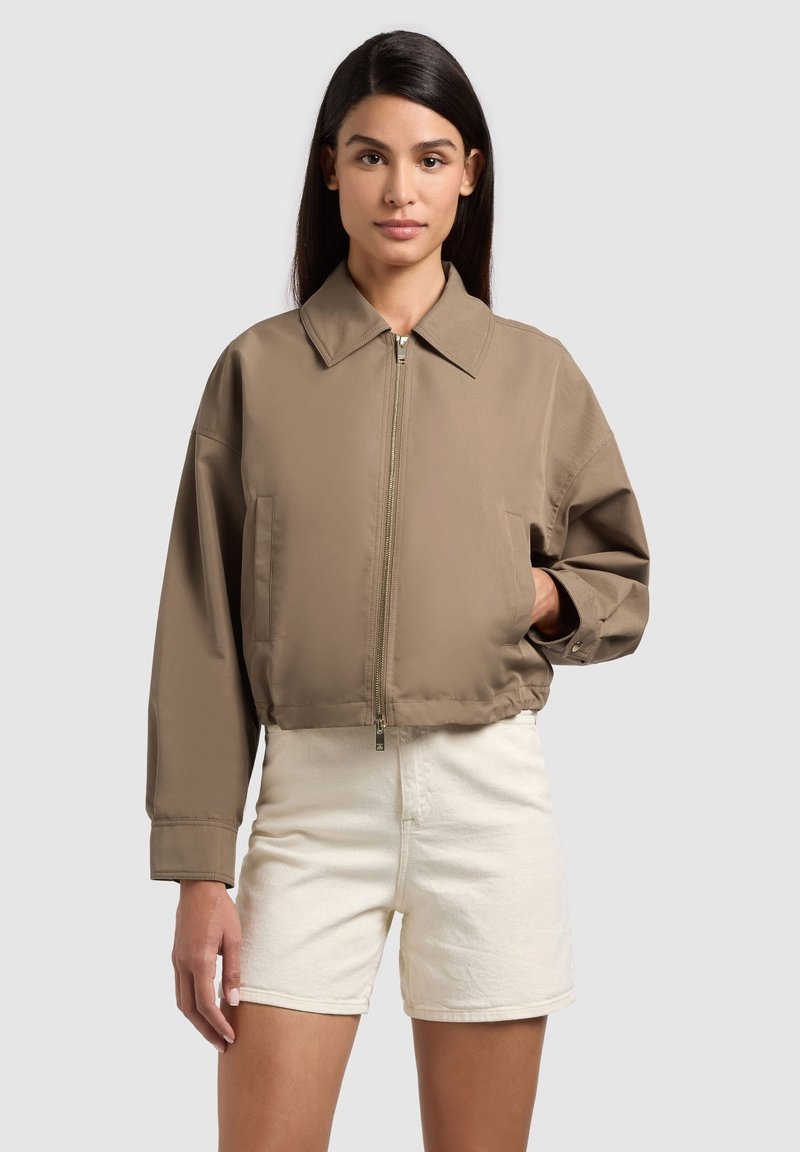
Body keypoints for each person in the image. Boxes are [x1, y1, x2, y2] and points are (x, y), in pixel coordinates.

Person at [146, 28, 650, 1152]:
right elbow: (202, 630)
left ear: (470, 173)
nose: (399, 190)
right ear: (330, 170)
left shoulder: (535, 372)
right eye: (370, 156)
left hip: (488, 801)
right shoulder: (257, 371)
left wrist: (533, 598)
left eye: (430, 158)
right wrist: (197, 868)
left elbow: (617, 574)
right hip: (310, 805)